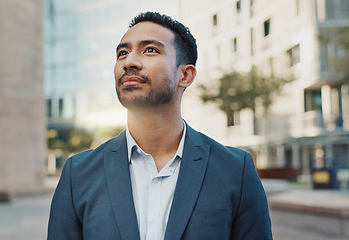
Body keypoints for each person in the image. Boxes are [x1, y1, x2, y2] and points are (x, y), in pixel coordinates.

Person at [48, 11, 272, 240]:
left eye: (150, 50)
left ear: (185, 75)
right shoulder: (78, 173)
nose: (129, 62)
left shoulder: (235, 171)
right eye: (122, 53)